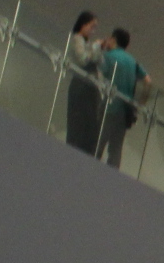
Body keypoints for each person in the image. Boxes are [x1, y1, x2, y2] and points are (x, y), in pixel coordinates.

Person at [93, 28, 150, 168]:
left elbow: (96, 69)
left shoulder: (109, 56)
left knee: (97, 144)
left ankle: (89, 172)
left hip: (108, 108)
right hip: (124, 112)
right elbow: (148, 81)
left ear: (113, 39)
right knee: (116, 149)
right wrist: (139, 104)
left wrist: (98, 46)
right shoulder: (132, 62)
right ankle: (112, 177)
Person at [62, 11, 104, 153]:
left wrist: (97, 50)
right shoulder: (77, 39)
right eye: (92, 27)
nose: (93, 31)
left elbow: (100, 62)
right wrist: (95, 48)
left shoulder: (87, 43)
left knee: (90, 125)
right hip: (81, 85)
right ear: (83, 24)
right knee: (79, 124)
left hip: (90, 87)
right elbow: (83, 59)